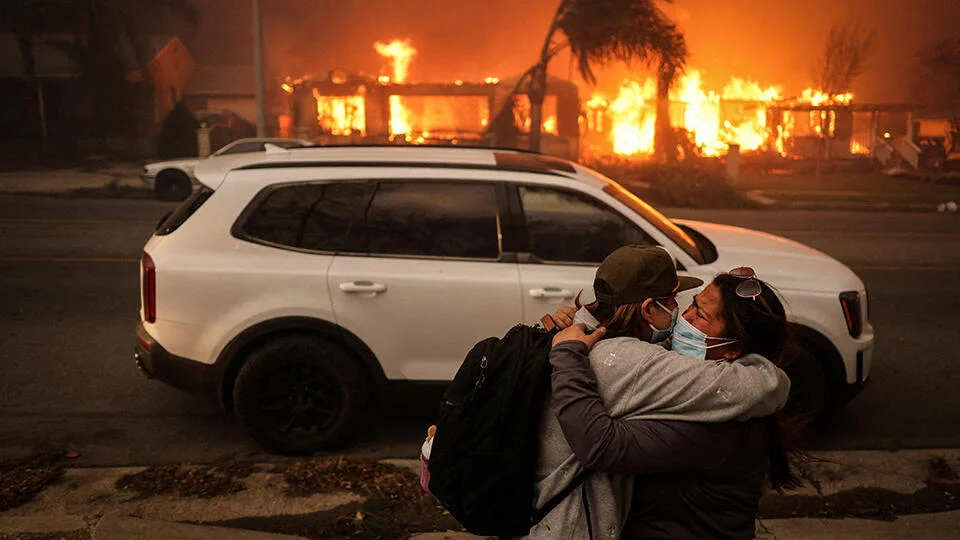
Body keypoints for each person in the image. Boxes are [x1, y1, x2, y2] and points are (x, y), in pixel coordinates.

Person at [526, 246, 790, 539]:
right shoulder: (675, 378)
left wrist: (572, 343)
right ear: (649, 308)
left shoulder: (719, 422)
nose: (683, 316)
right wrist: (581, 320)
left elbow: (604, 445)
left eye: (698, 314)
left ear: (732, 349)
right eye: (684, 303)